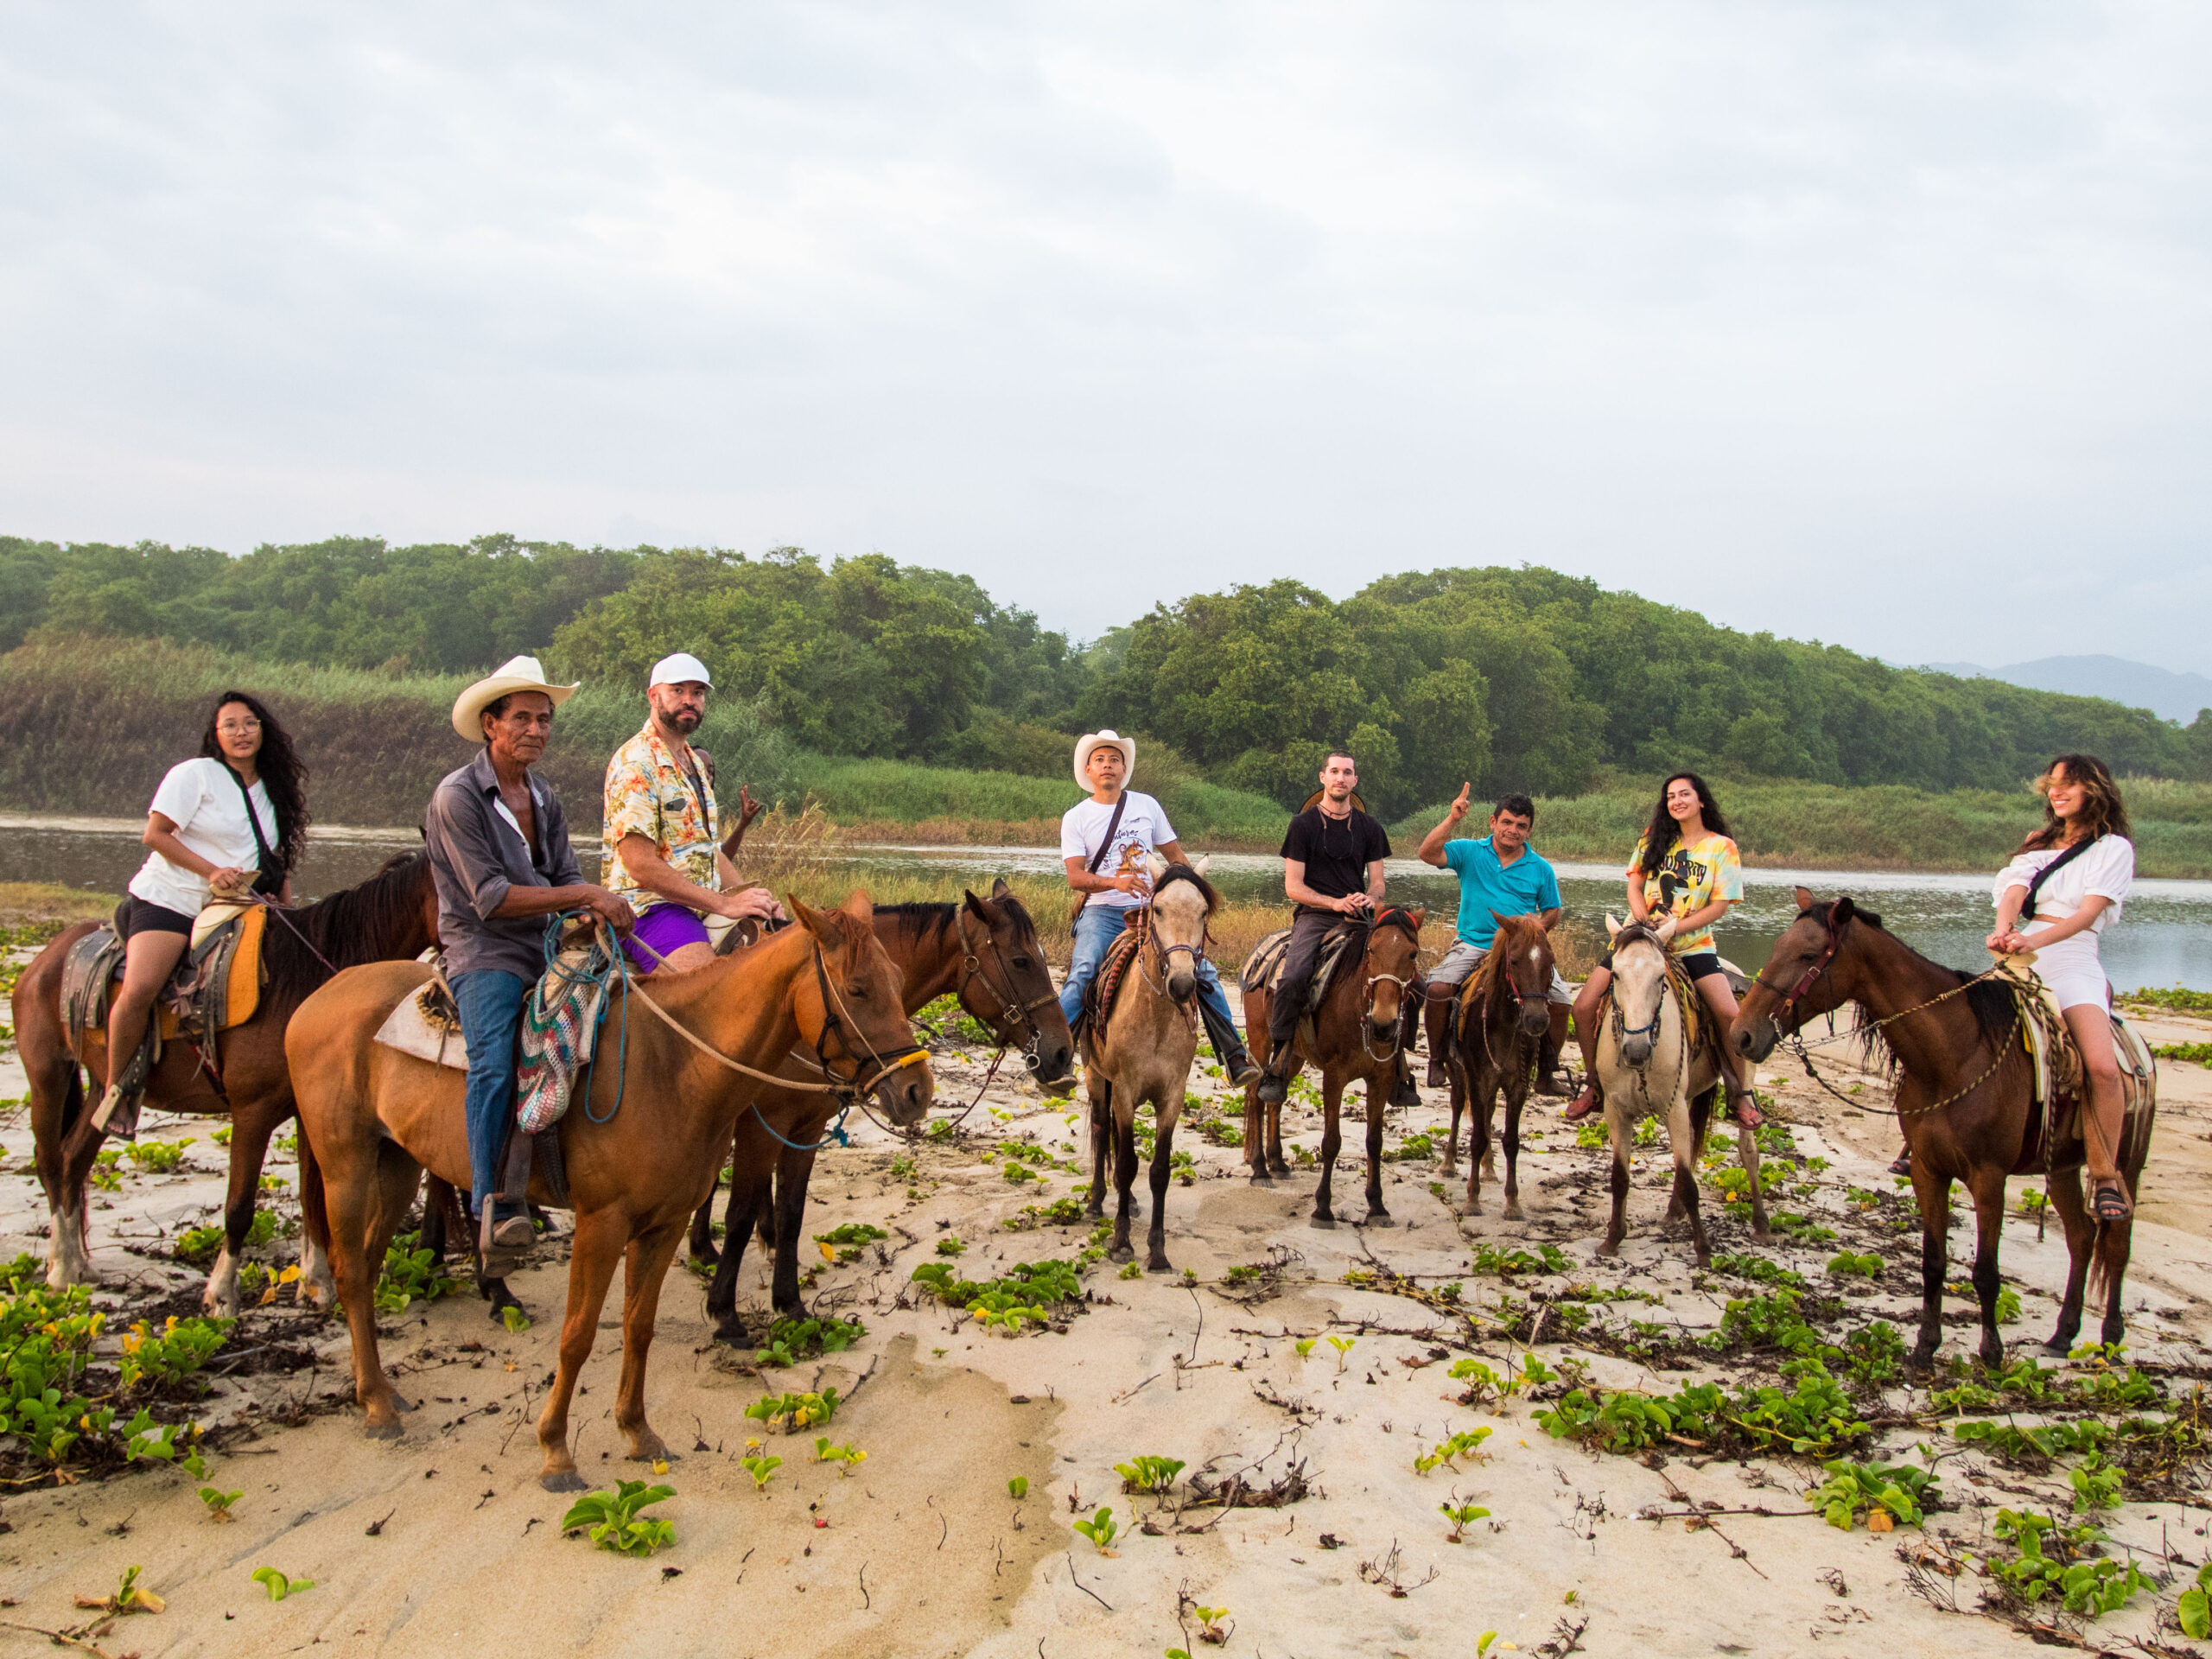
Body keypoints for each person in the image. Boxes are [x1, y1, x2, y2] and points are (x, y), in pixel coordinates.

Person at [423, 655, 634, 1271]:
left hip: (545, 940)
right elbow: (488, 899)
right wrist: (586, 896)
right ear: (490, 724)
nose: (537, 730)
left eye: (544, 720)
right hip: (484, 949)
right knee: (492, 1063)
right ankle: (490, 1200)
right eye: (522, 718)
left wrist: (589, 911)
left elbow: (565, 875)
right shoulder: (457, 797)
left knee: (617, 1022)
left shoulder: (543, 795)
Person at [93, 690, 308, 1135]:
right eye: (229, 725)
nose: (241, 732)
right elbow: (155, 835)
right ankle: (118, 1090)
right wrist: (213, 872)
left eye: (249, 723)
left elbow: (275, 859)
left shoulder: (273, 790)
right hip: (174, 898)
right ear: (216, 735)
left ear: (263, 730)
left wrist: (288, 909)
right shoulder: (195, 775)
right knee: (141, 986)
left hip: (237, 907)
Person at [1058, 729, 1259, 1086]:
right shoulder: (1076, 817)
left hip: (1154, 913)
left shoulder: (1146, 805)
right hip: (1103, 911)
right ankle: (1054, 1056)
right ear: (1088, 770)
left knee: (1205, 973)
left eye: (1115, 760)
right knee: (1085, 969)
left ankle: (1233, 1055)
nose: (1108, 766)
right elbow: (1075, 877)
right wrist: (1114, 883)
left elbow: (1175, 857)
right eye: (1100, 760)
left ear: (1124, 769)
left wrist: (1187, 888)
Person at [1987, 753, 2138, 1219]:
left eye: (2068, 784)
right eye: (2052, 784)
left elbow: (2086, 913)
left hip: (2073, 958)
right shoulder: (2037, 842)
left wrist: (2034, 937)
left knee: (2103, 1067)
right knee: (1953, 1028)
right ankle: (1923, 1139)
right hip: (2020, 954)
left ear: (2094, 789)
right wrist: (2005, 929)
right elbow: (2013, 890)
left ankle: (2106, 1176)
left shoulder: (2112, 848)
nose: (2056, 791)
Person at [1564, 772, 1758, 1127]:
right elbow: (1635, 887)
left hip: (1692, 946)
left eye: (1684, 794)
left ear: (1701, 800)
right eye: (1670, 796)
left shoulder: (1721, 847)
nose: (1677, 801)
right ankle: (1593, 1084)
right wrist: (1640, 916)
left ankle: (1739, 1094)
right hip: (1638, 942)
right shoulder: (1653, 839)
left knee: (1730, 1016)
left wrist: (1673, 928)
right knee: (1584, 1004)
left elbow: (1719, 907)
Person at [601, 651, 785, 974]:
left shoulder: (693, 762)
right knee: (708, 994)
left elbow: (705, 850)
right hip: (649, 909)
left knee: (785, 956)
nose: (689, 700)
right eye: (678, 690)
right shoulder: (637, 763)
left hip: (699, 904)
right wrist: (724, 904)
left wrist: (750, 898)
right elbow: (639, 864)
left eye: (697, 693)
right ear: (653, 695)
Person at [1256, 750, 1414, 1108]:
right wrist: (1333, 902)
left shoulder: (1370, 828)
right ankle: (1280, 1060)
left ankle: (1400, 1065)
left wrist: (1367, 899)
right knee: (1294, 975)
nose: (1341, 778)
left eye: (1348, 772)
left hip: (1359, 915)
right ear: (1323, 778)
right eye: (1334, 771)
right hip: (1316, 915)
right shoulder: (1303, 825)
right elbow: (1293, 887)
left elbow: (1378, 885)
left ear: (1355, 781)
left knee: (1407, 975)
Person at [1414, 785, 1572, 1090]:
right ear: (1493, 822)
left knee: (1562, 999)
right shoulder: (1470, 851)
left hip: (1520, 949)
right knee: (1437, 988)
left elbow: (1553, 910)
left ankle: (1546, 1073)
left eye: (1521, 826)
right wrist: (1452, 819)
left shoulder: (1541, 868)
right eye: (1508, 823)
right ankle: (1436, 1060)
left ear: (1529, 830)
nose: (1513, 831)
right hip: (1474, 942)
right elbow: (1427, 853)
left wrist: (1539, 925)